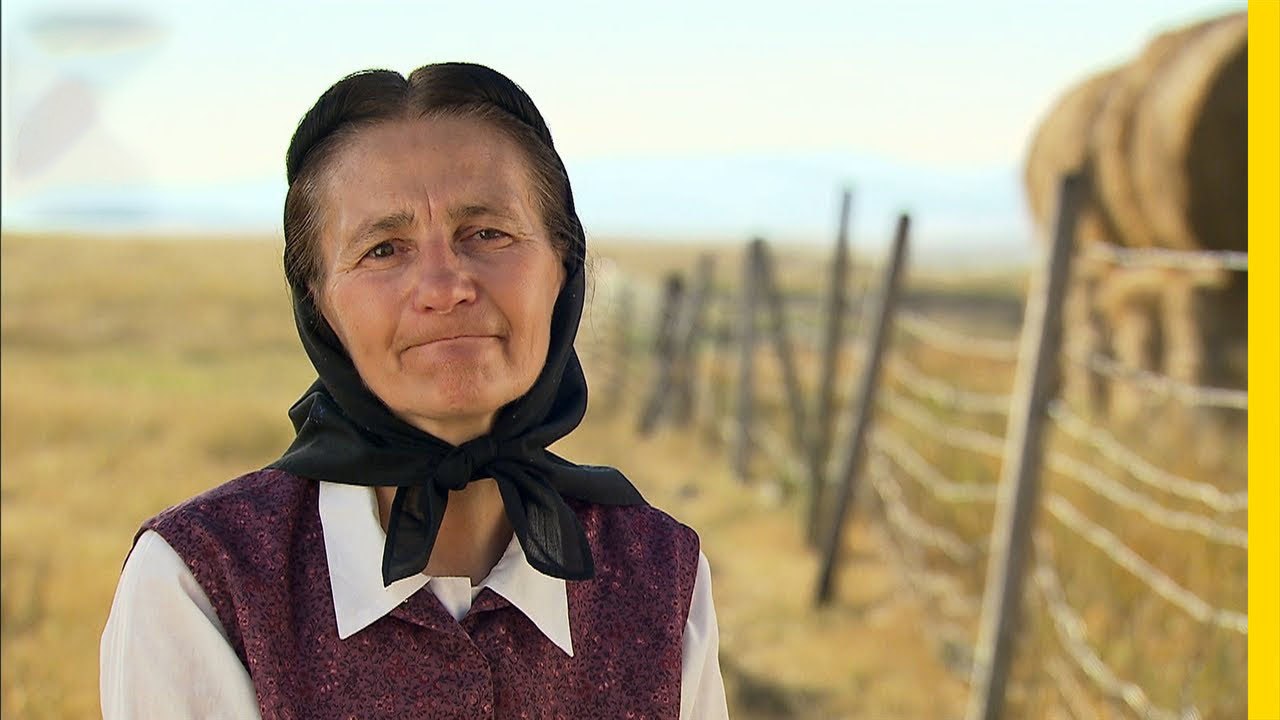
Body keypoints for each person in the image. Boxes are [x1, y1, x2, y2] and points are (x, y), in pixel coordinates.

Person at [100, 62, 729, 719]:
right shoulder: (200, 583)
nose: (444, 286)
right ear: (319, 304)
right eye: (383, 249)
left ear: (562, 268)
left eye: (488, 233)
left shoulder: (661, 571)